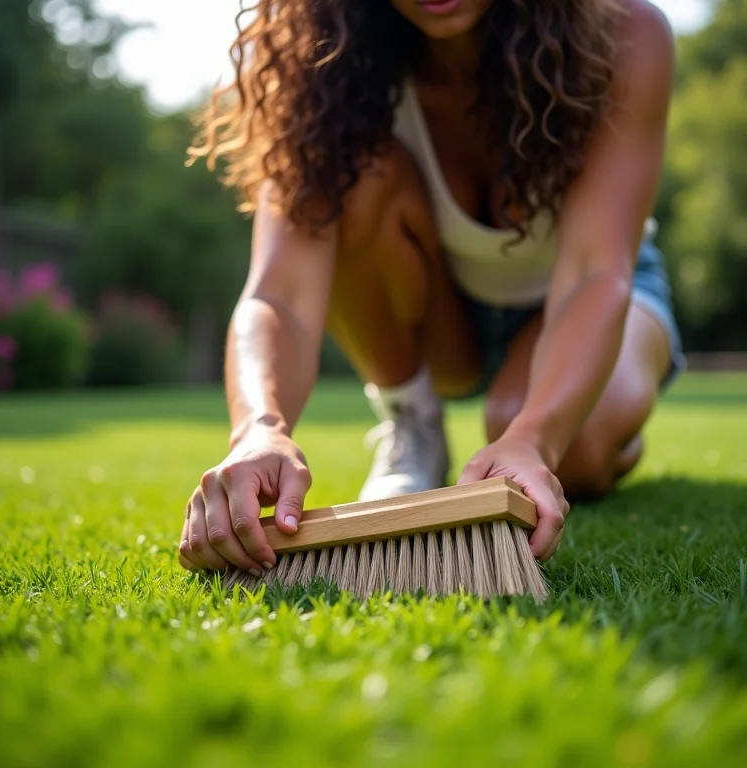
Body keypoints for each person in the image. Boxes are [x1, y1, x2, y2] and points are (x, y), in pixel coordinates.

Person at [177, 0, 685, 580]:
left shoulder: (627, 32)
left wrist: (535, 439)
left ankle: (608, 438)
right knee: (354, 177)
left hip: (596, 287)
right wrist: (258, 429)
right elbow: (280, 295)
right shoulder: (309, 64)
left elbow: (596, 270)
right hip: (443, 313)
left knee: (565, 448)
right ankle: (413, 424)